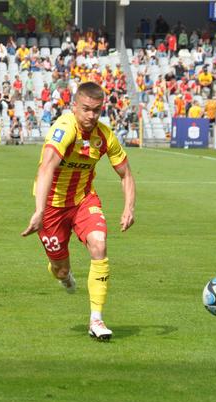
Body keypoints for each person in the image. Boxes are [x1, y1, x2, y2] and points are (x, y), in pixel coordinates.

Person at [21, 82, 136, 341]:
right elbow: (46, 168)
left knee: (99, 242)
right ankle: (62, 275)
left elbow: (126, 173)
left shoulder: (105, 136)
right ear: (74, 106)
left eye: (96, 110)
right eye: (85, 109)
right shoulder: (64, 130)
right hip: (52, 206)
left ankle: (96, 319)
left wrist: (129, 207)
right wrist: (39, 210)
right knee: (60, 270)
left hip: (84, 200)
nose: (91, 116)